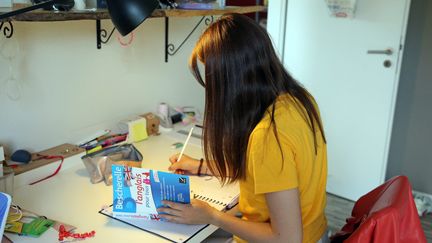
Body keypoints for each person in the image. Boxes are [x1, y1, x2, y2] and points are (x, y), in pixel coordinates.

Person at [156, 13, 328, 243]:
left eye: (213, 79)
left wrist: (212, 216)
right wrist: (199, 166)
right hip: (317, 233)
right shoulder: (297, 99)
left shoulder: (268, 136)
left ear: (233, 80)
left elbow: (287, 239)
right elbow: (270, 171)